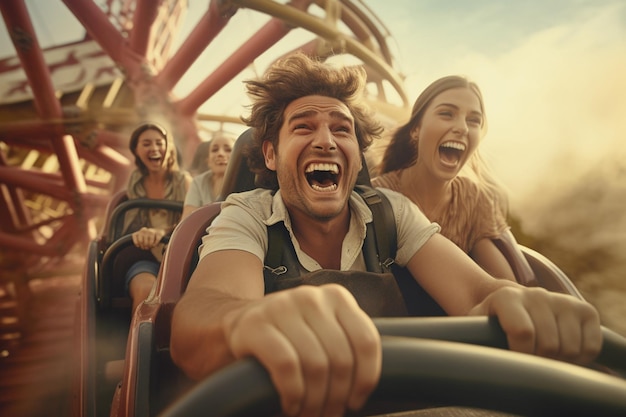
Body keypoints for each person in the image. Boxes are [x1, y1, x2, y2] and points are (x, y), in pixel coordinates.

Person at [170, 53, 602, 417]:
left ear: (357, 158)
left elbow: (476, 294)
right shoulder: (246, 214)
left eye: (342, 130)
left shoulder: (391, 212)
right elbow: (202, 313)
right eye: (303, 127)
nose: (326, 141)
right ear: (270, 153)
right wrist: (246, 321)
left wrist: (514, 302)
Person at [372, 75, 516, 281]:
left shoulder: (472, 199)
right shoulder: (378, 198)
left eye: (473, 120)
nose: (463, 128)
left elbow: (505, 285)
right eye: (447, 114)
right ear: (416, 130)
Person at [116, 122, 191, 314]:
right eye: (147, 144)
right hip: (144, 257)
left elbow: (192, 222)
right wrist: (139, 235)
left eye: (159, 143)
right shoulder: (134, 185)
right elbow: (125, 226)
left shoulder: (185, 182)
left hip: (178, 257)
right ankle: (141, 341)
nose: (155, 148)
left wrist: (161, 232)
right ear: (136, 150)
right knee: (146, 290)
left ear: (168, 146)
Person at [181, 133, 235, 219]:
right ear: (208, 161)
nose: (220, 153)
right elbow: (187, 221)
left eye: (228, 150)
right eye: (215, 150)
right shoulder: (198, 182)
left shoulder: (245, 183)